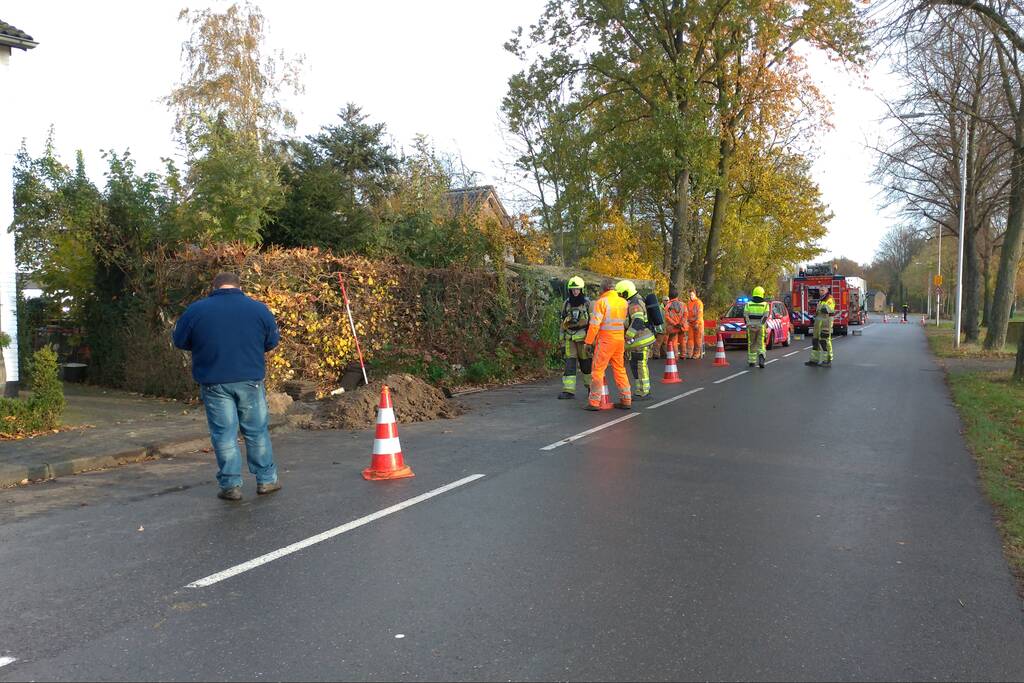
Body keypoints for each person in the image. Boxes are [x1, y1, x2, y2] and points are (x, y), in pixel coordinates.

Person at [173, 272, 282, 501]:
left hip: (214, 381)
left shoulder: (197, 310)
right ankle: (266, 480)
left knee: (224, 434)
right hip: (250, 379)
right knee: (256, 431)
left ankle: (231, 485)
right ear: (239, 286)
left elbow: (180, 340)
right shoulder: (258, 309)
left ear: (214, 287)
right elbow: (271, 341)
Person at [584, 279, 631, 411]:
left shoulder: (601, 302)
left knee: (597, 370)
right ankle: (626, 399)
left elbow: (594, 325)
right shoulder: (623, 302)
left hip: (605, 341)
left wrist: (588, 342)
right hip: (619, 340)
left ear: (603, 289)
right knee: (619, 369)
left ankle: (594, 401)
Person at [617, 279, 657, 401]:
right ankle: (640, 391)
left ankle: (644, 392)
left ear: (625, 292)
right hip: (638, 340)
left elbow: (638, 320)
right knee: (635, 365)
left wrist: (628, 335)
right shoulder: (636, 300)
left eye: (620, 294)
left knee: (640, 365)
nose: (619, 296)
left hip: (641, 339)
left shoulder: (634, 303)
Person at [558, 276, 592, 400]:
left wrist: (591, 339)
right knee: (570, 364)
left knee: (586, 364)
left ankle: (591, 388)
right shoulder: (566, 303)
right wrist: (561, 338)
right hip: (570, 338)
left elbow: (593, 322)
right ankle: (568, 390)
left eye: (577, 289)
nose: (575, 292)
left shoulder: (588, 303)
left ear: (581, 289)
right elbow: (562, 321)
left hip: (583, 339)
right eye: (572, 289)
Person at [807, 288, 836, 368]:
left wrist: (824, 309)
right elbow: (819, 312)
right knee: (815, 340)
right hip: (818, 323)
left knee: (825, 340)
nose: (820, 292)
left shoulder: (829, 298)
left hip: (826, 322)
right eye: (820, 290)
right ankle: (814, 360)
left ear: (827, 291)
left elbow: (828, 309)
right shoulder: (821, 300)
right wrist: (814, 317)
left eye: (823, 290)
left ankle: (827, 360)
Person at [743, 286, 771, 369]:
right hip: (760, 327)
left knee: (751, 343)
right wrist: (760, 325)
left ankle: (752, 361)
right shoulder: (765, 304)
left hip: (750, 327)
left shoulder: (748, 304)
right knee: (761, 343)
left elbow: (745, 315)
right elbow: (766, 316)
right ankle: (761, 359)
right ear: (762, 294)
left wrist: (748, 324)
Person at [664, 287, 687, 360]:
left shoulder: (668, 306)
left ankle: (675, 356)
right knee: (682, 340)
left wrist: (675, 324)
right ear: (677, 296)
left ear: (670, 297)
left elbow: (667, 317)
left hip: (673, 327)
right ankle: (683, 355)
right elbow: (686, 314)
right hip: (682, 326)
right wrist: (681, 323)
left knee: (674, 341)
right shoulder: (683, 304)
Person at [685, 288, 705, 359]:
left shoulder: (699, 303)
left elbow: (700, 314)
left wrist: (696, 323)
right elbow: (687, 313)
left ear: (695, 294)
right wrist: (687, 321)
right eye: (690, 295)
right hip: (690, 323)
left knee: (697, 339)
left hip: (698, 324)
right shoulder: (689, 303)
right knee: (690, 339)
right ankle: (689, 353)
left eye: (692, 295)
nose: (691, 296)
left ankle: (696, 354)